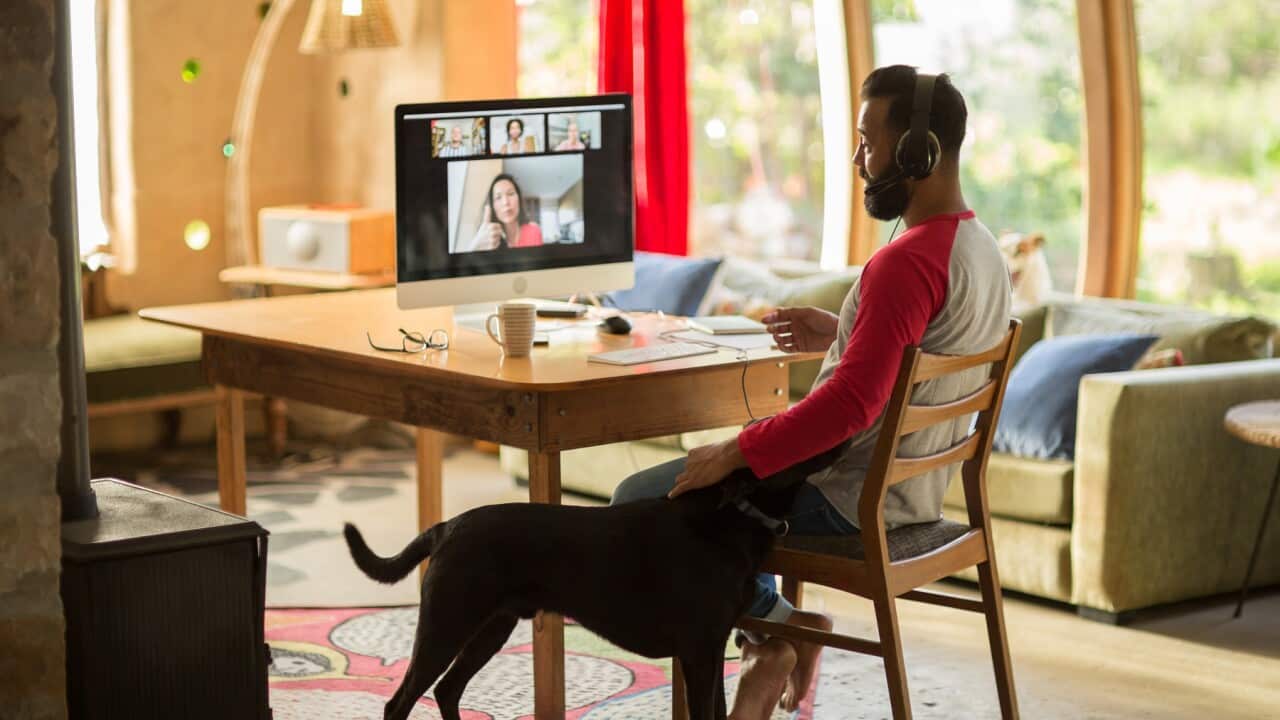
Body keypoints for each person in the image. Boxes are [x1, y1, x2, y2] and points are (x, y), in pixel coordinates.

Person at [609, 65, 1011, 719]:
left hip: (851, 502)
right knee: (730, 486)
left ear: (917, 152)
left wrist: (736, 450)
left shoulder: (906, 261)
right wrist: (845, 332)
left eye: (868, 142)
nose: (859, 160)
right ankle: (779, 634)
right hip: (912, 496)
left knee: (642, 504)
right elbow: (917, 359)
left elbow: (851, 406)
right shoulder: (978, 247)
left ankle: (777, 635)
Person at [465, 173, 543, 251]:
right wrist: (475, 247)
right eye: (498, 197)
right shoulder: (488, 240)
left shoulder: (534, 231)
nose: (505, 202)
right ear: (492, 206)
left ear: (519, 198)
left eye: (510, 194)